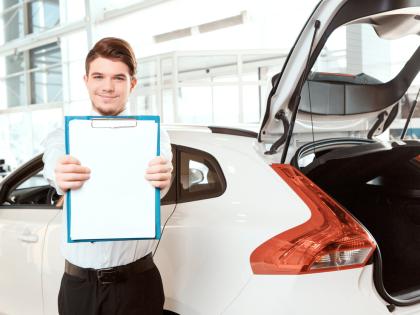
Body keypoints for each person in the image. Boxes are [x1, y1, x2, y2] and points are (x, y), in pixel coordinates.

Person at [42, 37, 172, 315]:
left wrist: (164, 178)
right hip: (79, 288)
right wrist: (60, 174)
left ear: (132, 84)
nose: (108, 87)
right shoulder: (62, 136)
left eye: (118, 78)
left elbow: (160, 180)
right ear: (86, 80)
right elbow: (52, 164)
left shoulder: (153, 135)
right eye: (99, 76)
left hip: (137, 286)